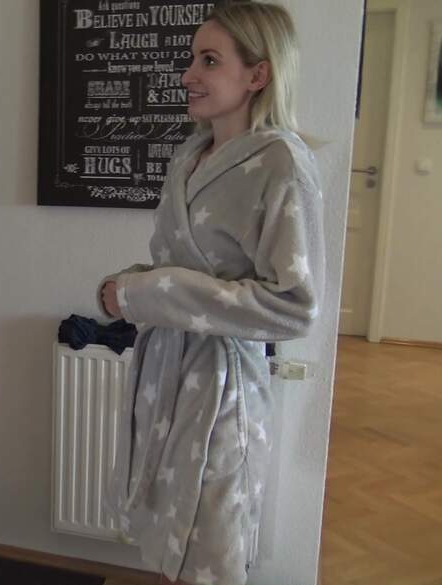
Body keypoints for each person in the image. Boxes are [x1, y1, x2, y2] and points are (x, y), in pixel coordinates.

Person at [100, 3, 324, 584]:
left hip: (224, 389)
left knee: (211, 556)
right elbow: (174, 267)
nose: (188, 74)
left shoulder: (281, 161)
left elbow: (294, 306)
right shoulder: (188, 156)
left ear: (258, 74)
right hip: (164, 374)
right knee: (167, 542)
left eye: (209, 60)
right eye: (192, 59)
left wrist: (148, 292)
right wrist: (125, 287)